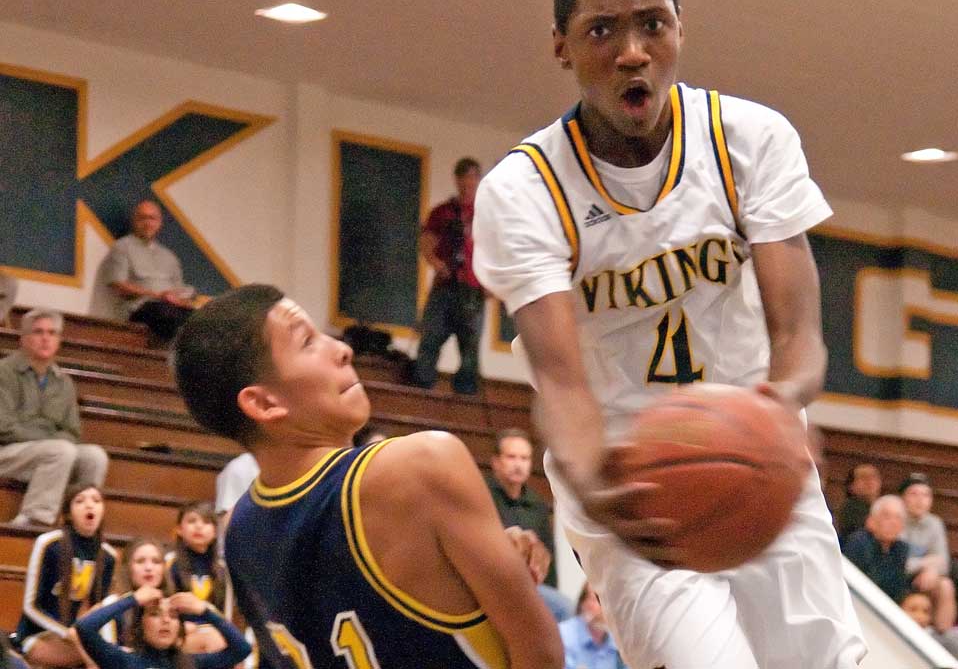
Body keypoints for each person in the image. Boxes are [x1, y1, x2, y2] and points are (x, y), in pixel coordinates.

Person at [472, 0, 865, 669]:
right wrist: (592, 475)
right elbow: (560, 379)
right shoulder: (522, 191)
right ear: (561, 47)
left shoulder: (750, 138)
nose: (632, 52)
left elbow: (799, 330)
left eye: (653, 25)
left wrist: (780, 405)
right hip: (628, 474)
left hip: (756, 440)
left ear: (681, 31)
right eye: (602, 31)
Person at [172, 284, 562, 669]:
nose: (342, 349)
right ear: (263, 402)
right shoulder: (423, 464)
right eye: (307, 342)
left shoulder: (241, 529)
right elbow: (542, 654)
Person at [0, 309, 109, 526]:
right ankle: (35, 520)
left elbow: (72, 431)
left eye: (52, 333)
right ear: (23, 338)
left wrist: (52, 441)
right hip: (7, 452)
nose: (45, 338)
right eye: (38, 332)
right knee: (60, 450)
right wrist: (49, 439)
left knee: (95, 456)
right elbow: (4, 427)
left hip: (47, 452)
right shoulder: (4, 372)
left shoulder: (63, 382)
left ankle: (76, 521)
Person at [15, 484, 117, 668]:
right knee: (108, 657)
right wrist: (66, 633)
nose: (89, 505)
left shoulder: (108, 556)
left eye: (96, 500)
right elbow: (31, 606)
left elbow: (102, 611)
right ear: (68, 513)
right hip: (38, 635)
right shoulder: (49, 544)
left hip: (78, 639)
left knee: (114, 654)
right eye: (80, 501)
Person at [409, 158, 486, 395]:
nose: (468, 183)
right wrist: (437, 264)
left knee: (471, 346)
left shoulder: (486, 214)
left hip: (474, 288)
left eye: (473, 177)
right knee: (431, 336)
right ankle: (422, 385)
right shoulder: (442, 212)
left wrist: (492, 285)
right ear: (457, 179)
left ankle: (466, 393)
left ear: (478, 180)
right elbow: (426, 243)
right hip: (446, 284)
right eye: (464, 177)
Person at [486, 428, 570, 620]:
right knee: (564, 610)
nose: (518, 464)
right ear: (496, 462)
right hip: (493, 584)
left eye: (524, 459)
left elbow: (548, 558)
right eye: (511, 457)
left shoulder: (538, 504)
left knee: (563, 610)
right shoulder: (482, 495)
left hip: (532, 588)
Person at [72, 585, 250, 669]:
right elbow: (84, 627)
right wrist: (132, 599)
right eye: (155, 614)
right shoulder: (123, 660)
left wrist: (204, 610)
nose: (165, 620)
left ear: (179, 628)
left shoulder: (193, 663)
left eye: (173, 616)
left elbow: (242, 648)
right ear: (140, 625)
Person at [104, 199, 195, 341]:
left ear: (159, 222)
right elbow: (118, 286)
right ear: (134, 221)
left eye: (152, 218)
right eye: (142, 218)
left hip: (169, 310)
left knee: (197, 319)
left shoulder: (169, 256)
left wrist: (181, 299)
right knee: (164, 313)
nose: (147, 223)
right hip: (139, 310)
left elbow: (178, 291)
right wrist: (157, 295)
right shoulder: (122, 247)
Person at [166, 502, 232, 653]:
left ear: (215, 532)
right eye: (191, 521)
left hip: (215, 633)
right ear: (179, 529)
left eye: (206, 522)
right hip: (182, 633)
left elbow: (225, 614)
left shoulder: (223, 569)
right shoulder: (170, 563)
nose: (199, 526)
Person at [899, 473, 957, 631]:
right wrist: (926, 564)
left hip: (922, 580)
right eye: (914, 494)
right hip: (897, 577)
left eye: (925, 495)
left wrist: (931, 570)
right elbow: (898, 563)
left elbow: (943, 564)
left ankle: (942, 636)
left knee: (945, 585)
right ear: (902, 498)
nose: (920, 500)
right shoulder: (896, 518)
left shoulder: (935, 523)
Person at [89, 537, 170, 647]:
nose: (149, 567)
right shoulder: (113, 603)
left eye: (156, 562)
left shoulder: (171, 606)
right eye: (140, 561)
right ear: (127, 568)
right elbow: (76, 632)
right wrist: (132, 600)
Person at [843, 495, 912, 602]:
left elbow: (899, 588)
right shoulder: (859, 542)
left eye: (898, 518)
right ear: (871, 520)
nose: (893, 522)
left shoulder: (901, 548)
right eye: (887, 516)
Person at [558, 584, 626, 669]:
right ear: (583, 604)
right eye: (599, 600)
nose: (606, 608)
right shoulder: (563, 636)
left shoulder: (618, 642)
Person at [836, 463, 881, 544]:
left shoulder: (883, 506)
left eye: (874, 476)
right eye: (863, 477)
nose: (870, 481)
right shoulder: (849, 508)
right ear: (851, 486)